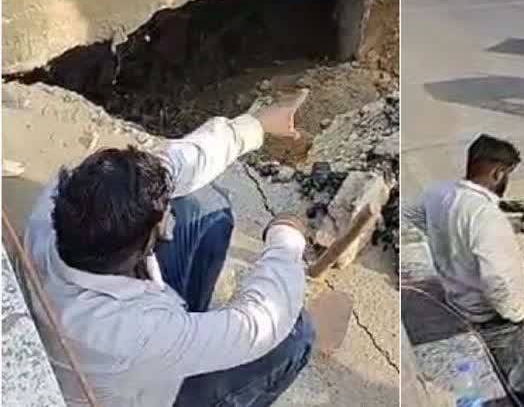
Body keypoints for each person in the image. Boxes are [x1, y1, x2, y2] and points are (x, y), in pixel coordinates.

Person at [25, 92, 315, 406]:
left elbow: (170, 167)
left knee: (203, 205)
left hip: (128, 349)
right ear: (141, 247)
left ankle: (198, 333)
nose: (166, 222)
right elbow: (260, 323)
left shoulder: (61, 202)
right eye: (160, 224)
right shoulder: (135, 332)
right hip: (140, 388)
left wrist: (255, 125)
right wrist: (285, 240)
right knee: (294, 334)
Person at [403, 135, 524, 407]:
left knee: (484, 383)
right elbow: (497, 280)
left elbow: (411, 219)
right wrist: (515, 315)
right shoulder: (485, 216)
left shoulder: (438, 193)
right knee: (523, 388)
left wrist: (443, 247)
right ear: (497, 172)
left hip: (457, 305)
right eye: (507, 175)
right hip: (493, 319)